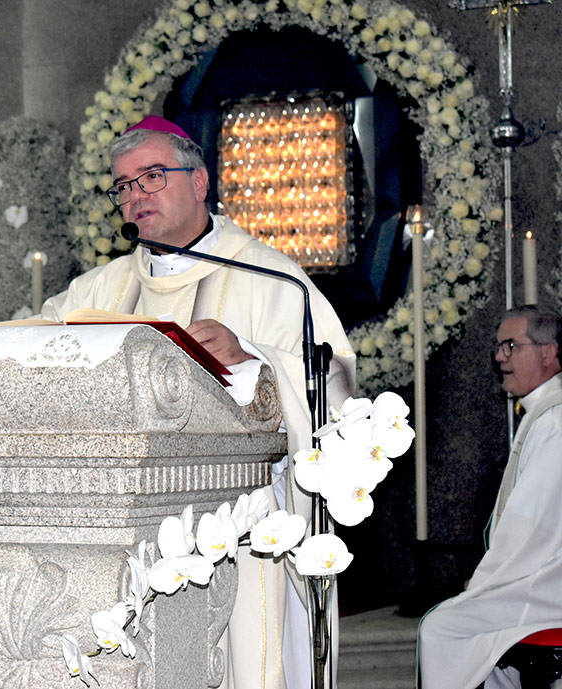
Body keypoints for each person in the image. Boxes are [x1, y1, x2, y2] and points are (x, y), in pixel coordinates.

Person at [40, 116, 356, 689]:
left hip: (244, 519)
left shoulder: (271, 278)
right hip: (123, 517)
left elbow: (333, 381)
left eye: (152, 176)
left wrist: (253, 359)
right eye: (124, 185)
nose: (136, 195)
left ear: (201, 182)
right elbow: (29, 347)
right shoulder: (97, 291)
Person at [419, 306, 562, 689]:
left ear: (549, 354)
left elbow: (531, 530)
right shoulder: (546, 413)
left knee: (440, 628)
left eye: (511, 345)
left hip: (548, 584)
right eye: (499, 347)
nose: (500, 357)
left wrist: (483, 583)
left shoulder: (553, 423)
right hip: (542, 573)